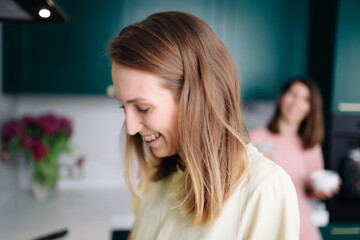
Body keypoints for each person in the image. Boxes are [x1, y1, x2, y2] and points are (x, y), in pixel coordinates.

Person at [109, 11, 299, 240]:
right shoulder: (158, 171)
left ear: (195, 97)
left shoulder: (265, 189)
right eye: (123, 107)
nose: (130, 128)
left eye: (143, 108)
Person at [250, 77, 340, 240]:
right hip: (267, 226)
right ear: (281, 97)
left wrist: (323, 190)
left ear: (311, 108)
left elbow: (311, 188)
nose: (296, 103)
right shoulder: (255, 139)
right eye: (293, 94)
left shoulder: (310, 145)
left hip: (303, 225)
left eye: (305, 99)